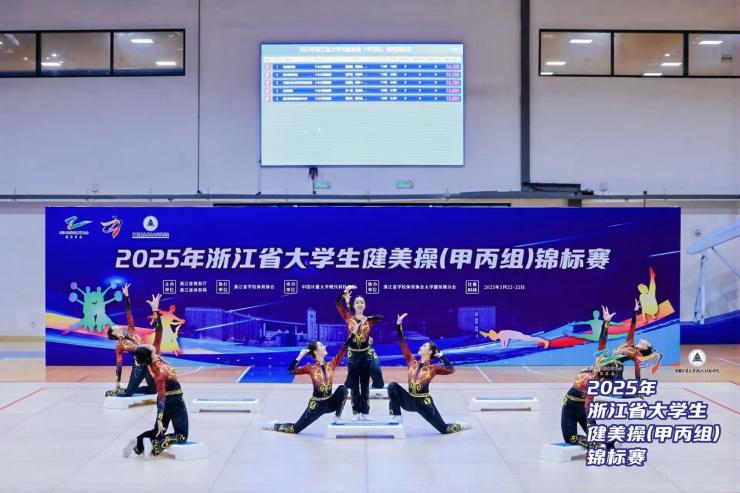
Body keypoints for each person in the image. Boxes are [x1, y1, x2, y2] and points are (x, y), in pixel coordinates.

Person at [387, 313, 470, 434]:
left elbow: (451, 370)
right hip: (409, 400)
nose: (421, 347)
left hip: (424, 403)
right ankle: (396, 416)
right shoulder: (411, 361)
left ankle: (460, 425)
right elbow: (402, 344)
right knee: (392, 386)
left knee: (444, 429)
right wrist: (399, 325)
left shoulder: (433, 368)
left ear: (430, 352)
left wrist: (442, 357)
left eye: (424, 346)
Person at [264, 334, 351, 434]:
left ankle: (338, 417)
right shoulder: (310, 368)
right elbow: (291, 371)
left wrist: (353, 332)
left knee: (343, 389)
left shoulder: (331, 364)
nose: (324, 346)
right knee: (296, 429)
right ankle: (274, 425)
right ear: (316, 351)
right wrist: (300, 356)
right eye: (321, 345)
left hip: (330, 402)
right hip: (317, 405)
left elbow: (343, 349)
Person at [123, 344, 188, 458]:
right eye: (153, 353)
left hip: (165, 402)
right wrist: (159, 419)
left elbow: (149, 348)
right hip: (175, 401)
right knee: (182, 436)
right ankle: (154, 444)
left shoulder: (150, 363)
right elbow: (162, 395)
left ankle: (139, 442)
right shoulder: (160, 372)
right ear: (149, 355)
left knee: (157, 431)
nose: (156, 353)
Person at [105, 284, 162, 397]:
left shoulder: (131, 331)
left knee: (153, 390)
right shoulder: (119, 345)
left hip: (149, 362)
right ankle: (119, 391)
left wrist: (126, 297)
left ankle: (133, 389)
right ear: (114, 333)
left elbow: (129, 314)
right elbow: (119, 363)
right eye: (115, 326)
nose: (117, 325)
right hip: (139, 365)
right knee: (128, 393)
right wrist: (118, 381)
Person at [335, 285, 383, 420]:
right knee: (354, 385)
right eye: (357, 302)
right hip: (353, 355)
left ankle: (365, 412)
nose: (360, 304)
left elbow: (381, 317)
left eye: (362, 302)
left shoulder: (369, 320)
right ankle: (356, 412)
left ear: (365, 305)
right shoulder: (348, 318)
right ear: (354, 305)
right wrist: (344, 292)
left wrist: (367, 318)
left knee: (365, 384)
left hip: (365, 354)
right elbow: (337, 303)